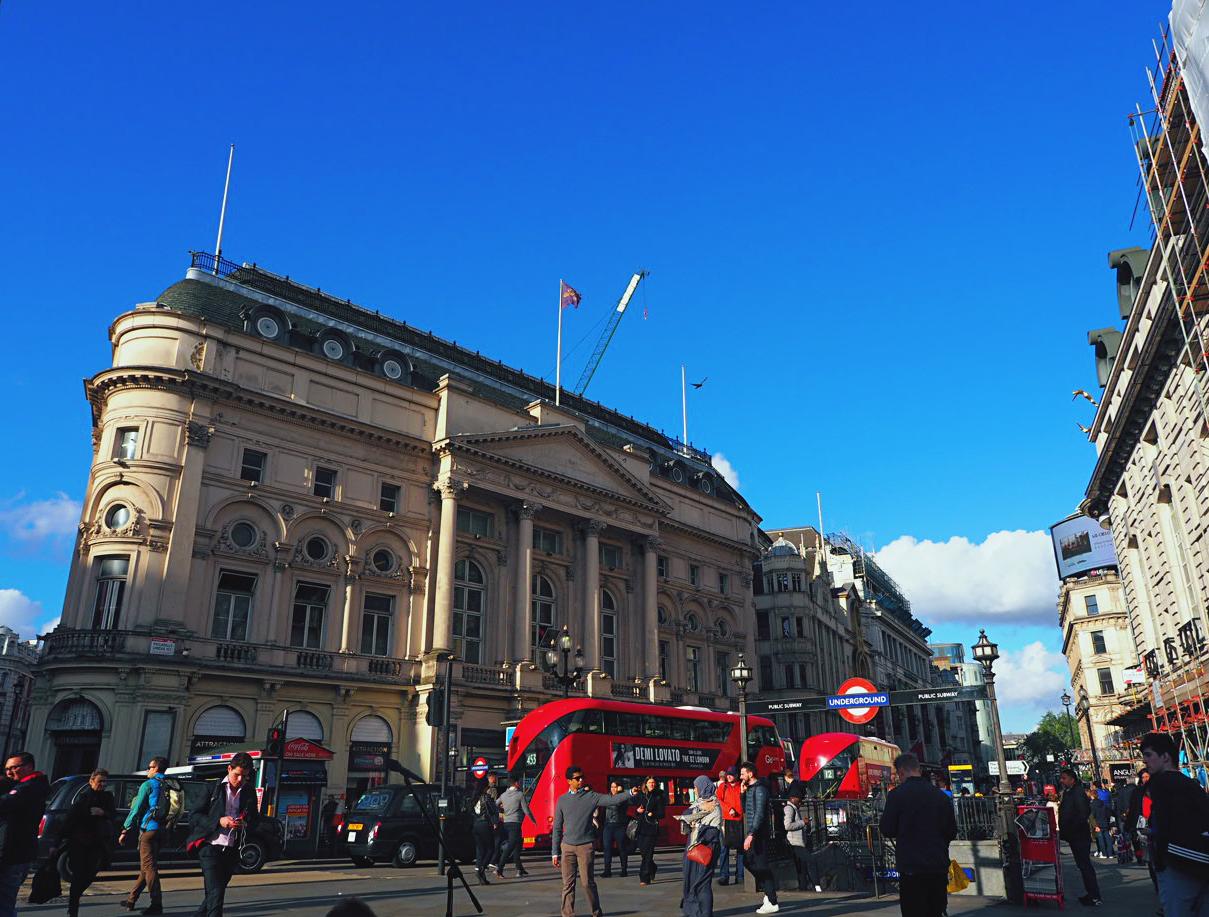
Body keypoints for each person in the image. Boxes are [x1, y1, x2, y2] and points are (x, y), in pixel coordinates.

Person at [550, 764, 636, 917]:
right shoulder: (562, 800)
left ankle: (596, 912)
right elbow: (557, 827)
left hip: (585, 846)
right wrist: (555, 852)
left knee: (587, 883)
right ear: (569, 781)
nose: (581, 780)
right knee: (567, 885)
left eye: (582, 777)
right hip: (567, 846)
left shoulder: (591, 796)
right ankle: (567, 914)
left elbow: (611, 800)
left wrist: (629, 793)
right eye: (577, 778)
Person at [879, 752, 957, 917]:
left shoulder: (896, 795)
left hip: (911, 866)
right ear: (918, 770)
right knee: (935, 911)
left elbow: (887, 829)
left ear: (901, 772)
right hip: (937, 864)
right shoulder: (940, 796)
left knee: (913, 911)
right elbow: (951, 831)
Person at [1141, 731, 1209, 917]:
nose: (1145, 761)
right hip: (1201, 861)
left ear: (1165, 757)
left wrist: (1160, 858)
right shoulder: (1192, 785)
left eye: (1148, 755)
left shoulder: (1161, 783)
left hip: (1177, 864)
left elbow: (1165, 823)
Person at [186, 751, 259, 917]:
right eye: (237, 774)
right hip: (209, 847)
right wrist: (219, 821)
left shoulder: (249, 791)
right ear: (229, 769)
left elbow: (255, 819)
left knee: (214, 894)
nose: (240, 779)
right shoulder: (212, 788)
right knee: (216, 893)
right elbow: (194, 816)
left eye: (245, 776)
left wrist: (245, 823)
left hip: (231, 849)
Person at [55, 768, 116, 917]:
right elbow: (70, 820)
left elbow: (113, 815)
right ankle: (73, 908)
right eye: (100, 781)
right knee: (78, 875)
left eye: (105, 782)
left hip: (98, 842)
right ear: (91, 781)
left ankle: (75, 897)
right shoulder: (83, 798)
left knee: (90, 873)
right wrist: (56, 843)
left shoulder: (107, 797)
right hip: (79, 842)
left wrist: (103, 813)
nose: (103, 784)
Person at [0, 750, 50, 917]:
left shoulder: (29, 787)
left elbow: (6, 803)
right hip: (15, 852)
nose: (9, 772)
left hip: (12, 853)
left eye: (14, 767)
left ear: (29, 767)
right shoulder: (26, 786)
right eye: (7, 769)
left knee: (4, 902)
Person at [120, 755, 170, 915]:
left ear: (156, 768)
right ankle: (131, 900)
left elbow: (136, 809)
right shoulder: (169, 784)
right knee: (146, 867)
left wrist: (125, 828)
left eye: (150, 767)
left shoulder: (148, 784)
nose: (148, 770)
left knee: (149, 868)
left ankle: (157, 904)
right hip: (162, 829)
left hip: (148, 830)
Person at [1058, 767, 1103, 907]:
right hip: (1074, 834)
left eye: (1064, 778)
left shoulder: (1077, 793)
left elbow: (1083, 812)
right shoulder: (1069, 792)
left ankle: (1094, 896)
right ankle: (1091, 894)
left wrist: (1072, 827)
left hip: (1078, 834)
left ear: (1072, 779)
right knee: (1082, 865)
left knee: (1085, 865)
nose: (1061, 780)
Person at [678, 775, 722, 917]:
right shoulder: (700, 803)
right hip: (693, 847)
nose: (695, 790)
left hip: (706, 848)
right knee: (691, 880)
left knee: (702, 883)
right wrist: (697, 810)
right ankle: (693, 910)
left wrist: (697, 825)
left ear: (703, 787)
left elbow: (713, 832)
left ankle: (705, 913)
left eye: (696, 787)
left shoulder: (714, 805)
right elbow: (686, 814)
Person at [739, 761, 779, 915]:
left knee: (760, 865)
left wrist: (751, 834)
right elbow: (746, 810)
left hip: (759, 834)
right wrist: (742, 794)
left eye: (742, 774)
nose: (740, 777)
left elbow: (760, 814)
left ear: (750, 774)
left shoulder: (760, 789)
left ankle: (772, 900)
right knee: (747, 861)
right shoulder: (750, 789)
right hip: (753, 833)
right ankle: (769, 893)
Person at [783, 790, 819, 893]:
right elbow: (787, 825)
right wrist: (803, 822)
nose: (801, 802)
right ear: (793, 798)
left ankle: (803, 887)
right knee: (810, 860)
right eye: (799, 799)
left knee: (801, 868)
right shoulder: (789, 809)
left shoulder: (794, 808)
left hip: (799, 842)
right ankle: (817, 885)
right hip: (794, 843)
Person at [498, 779, 534, 878]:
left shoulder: (503, 795)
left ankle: (520, 869)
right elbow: (526, 810)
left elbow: (495, 804)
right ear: (516, 783)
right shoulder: (519, 795)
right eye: (518, 782)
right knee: (511, 846)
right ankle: (499, 868)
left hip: (506, 822)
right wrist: (533, 820)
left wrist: (502, 810)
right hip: (516, 823)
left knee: (517, 845)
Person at [633, 775, 665, 887]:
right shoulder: (641, 795)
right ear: (645, 784)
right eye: (650, 782)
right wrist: (637, 811)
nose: (652, 784)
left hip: (652, 828)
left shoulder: (658, 796)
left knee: (647, 854)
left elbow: (662, 814)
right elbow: (636, 812)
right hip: (641, 828)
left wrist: (653, 814)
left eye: (653, 782)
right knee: (644, 853)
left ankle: (644, 877)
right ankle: (653, 867)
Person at [716, 768, 745, 886]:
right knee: (724, 849)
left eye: (731, 775)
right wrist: (729, 809)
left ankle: (740, 876)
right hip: (726, 820)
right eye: (728, 774)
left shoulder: (741, 786)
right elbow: (718, 800)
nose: (729, 776)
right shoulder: (723, 787)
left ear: (736, 776)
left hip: (739, 820)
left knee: (740, 849)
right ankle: (724, 876)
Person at [470, 780, 500, 884]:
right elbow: (493, 811)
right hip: (485, 824)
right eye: (487, 787)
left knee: (480, 849)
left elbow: (471, 811)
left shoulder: (474, 798)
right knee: (491, 848)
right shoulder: (487, 798)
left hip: (476, 825)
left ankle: (480, 873)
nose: (488, 788)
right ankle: (482, 868)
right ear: (484, 788)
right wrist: (495, 822)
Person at [600, 779, 631, 878]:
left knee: (622, 848)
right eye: (612, 787)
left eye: (615, 787)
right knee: (607, 848)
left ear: (619, 787)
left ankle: (624, 870)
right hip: (608, 826)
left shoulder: (623, 798)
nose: (613, 789)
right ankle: (607, 870)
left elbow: (617, 806)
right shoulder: (607, 797)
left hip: (619, 826)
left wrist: (620, 794)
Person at [483, 773, 503, 871]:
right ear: (490, 778)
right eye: (494, 777)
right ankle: (492, 861)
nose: (495, 779)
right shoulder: (492, 790)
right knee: (497, 841)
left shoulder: (485, 789)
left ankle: (485, 863)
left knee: (489, 842)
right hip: (493, 819)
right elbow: (493, 806)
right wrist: (495, 820)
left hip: (486, 820)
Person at [1090, 785, 1113, 859]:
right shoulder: (1102, 803)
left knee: (1101, 839)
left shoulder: (1092, 805)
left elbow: (1092, 816)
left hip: (1098, 823)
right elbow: (1108, 813)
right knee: (1107, 838)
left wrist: (1095, 826)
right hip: (1105, 822)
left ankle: (1104, 853)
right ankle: (1110, 853)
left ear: (1092, 796)